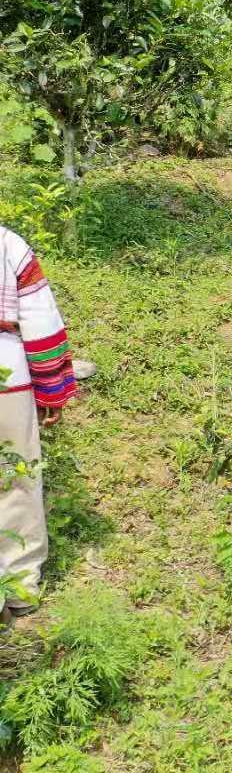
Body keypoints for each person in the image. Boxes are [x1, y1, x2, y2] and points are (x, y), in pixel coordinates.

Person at [0, 225, 77, 618]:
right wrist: (51, 389)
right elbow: (39, 319)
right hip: (7, 379)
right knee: (14, 480)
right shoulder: (8, 244)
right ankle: (17, 586)